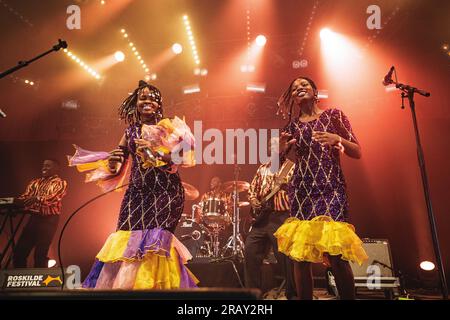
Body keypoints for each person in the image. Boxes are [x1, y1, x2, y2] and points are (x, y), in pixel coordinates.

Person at [69, 80, 198, 289]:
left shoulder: (170, 127)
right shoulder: (130, 132)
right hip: (136, 194)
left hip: (166, 192)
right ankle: (127, 289)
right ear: (135, 103)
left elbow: (186, 156)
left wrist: (156, 152)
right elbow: (118, 162)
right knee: (126, 237)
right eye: (142, 98)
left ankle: (155, 288)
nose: (146, 102)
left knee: (155, 240)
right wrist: (113, 162)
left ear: (159, 103)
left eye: (151, 98)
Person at [275, 76, 368, 300]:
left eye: (304, 85)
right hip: (302, 191)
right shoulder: (292, 126)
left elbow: (357, 151)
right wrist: (279, 149)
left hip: (331, 188)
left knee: (336, 254)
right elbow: (276, 166)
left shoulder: (333, 115)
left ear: (315, 91)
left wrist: (338, 139)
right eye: (295, 88)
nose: (299, 89)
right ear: (293, 99)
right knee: (300, 257)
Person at [244, 137, 296, 299]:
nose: (271, 148)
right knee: (250, 251)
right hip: (261, 220)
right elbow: (252, 190)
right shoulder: (262, 168)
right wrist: (253, 200)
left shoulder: (291, 168)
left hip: (282, 218)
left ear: (284, 147)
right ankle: (253, 295)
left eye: (275, 145)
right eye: (270, 146)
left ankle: (292, 294)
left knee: (286, 259)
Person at [13, 159, 67, 268]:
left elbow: (54, 198)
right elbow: (25, 197)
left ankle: (39, 281)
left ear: (56, 168)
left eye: (48, 165)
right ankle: (20, 280)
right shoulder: (35, 182)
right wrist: (15, 202)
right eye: (43, 165)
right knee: (19, 252)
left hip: (49, 219)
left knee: (40, 253)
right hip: (34, 218)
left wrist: (37, 198)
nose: (44, 167)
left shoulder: (60, 183)